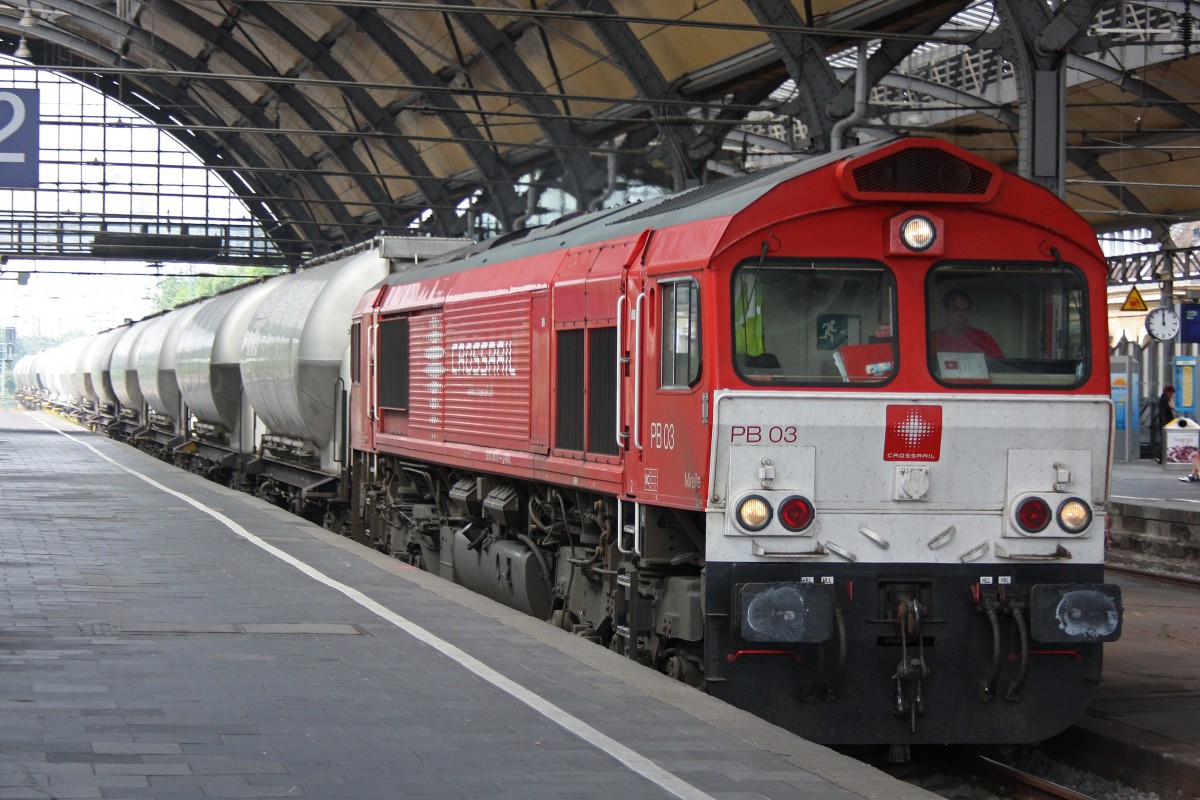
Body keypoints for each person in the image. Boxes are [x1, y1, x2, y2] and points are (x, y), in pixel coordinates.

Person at [931, 289, 1004, 358]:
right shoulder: (933, 340)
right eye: (957, 309)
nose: (962, 315)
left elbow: (1001, 365)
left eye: (966, 309)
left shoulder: (983, 338)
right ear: (945, 311)